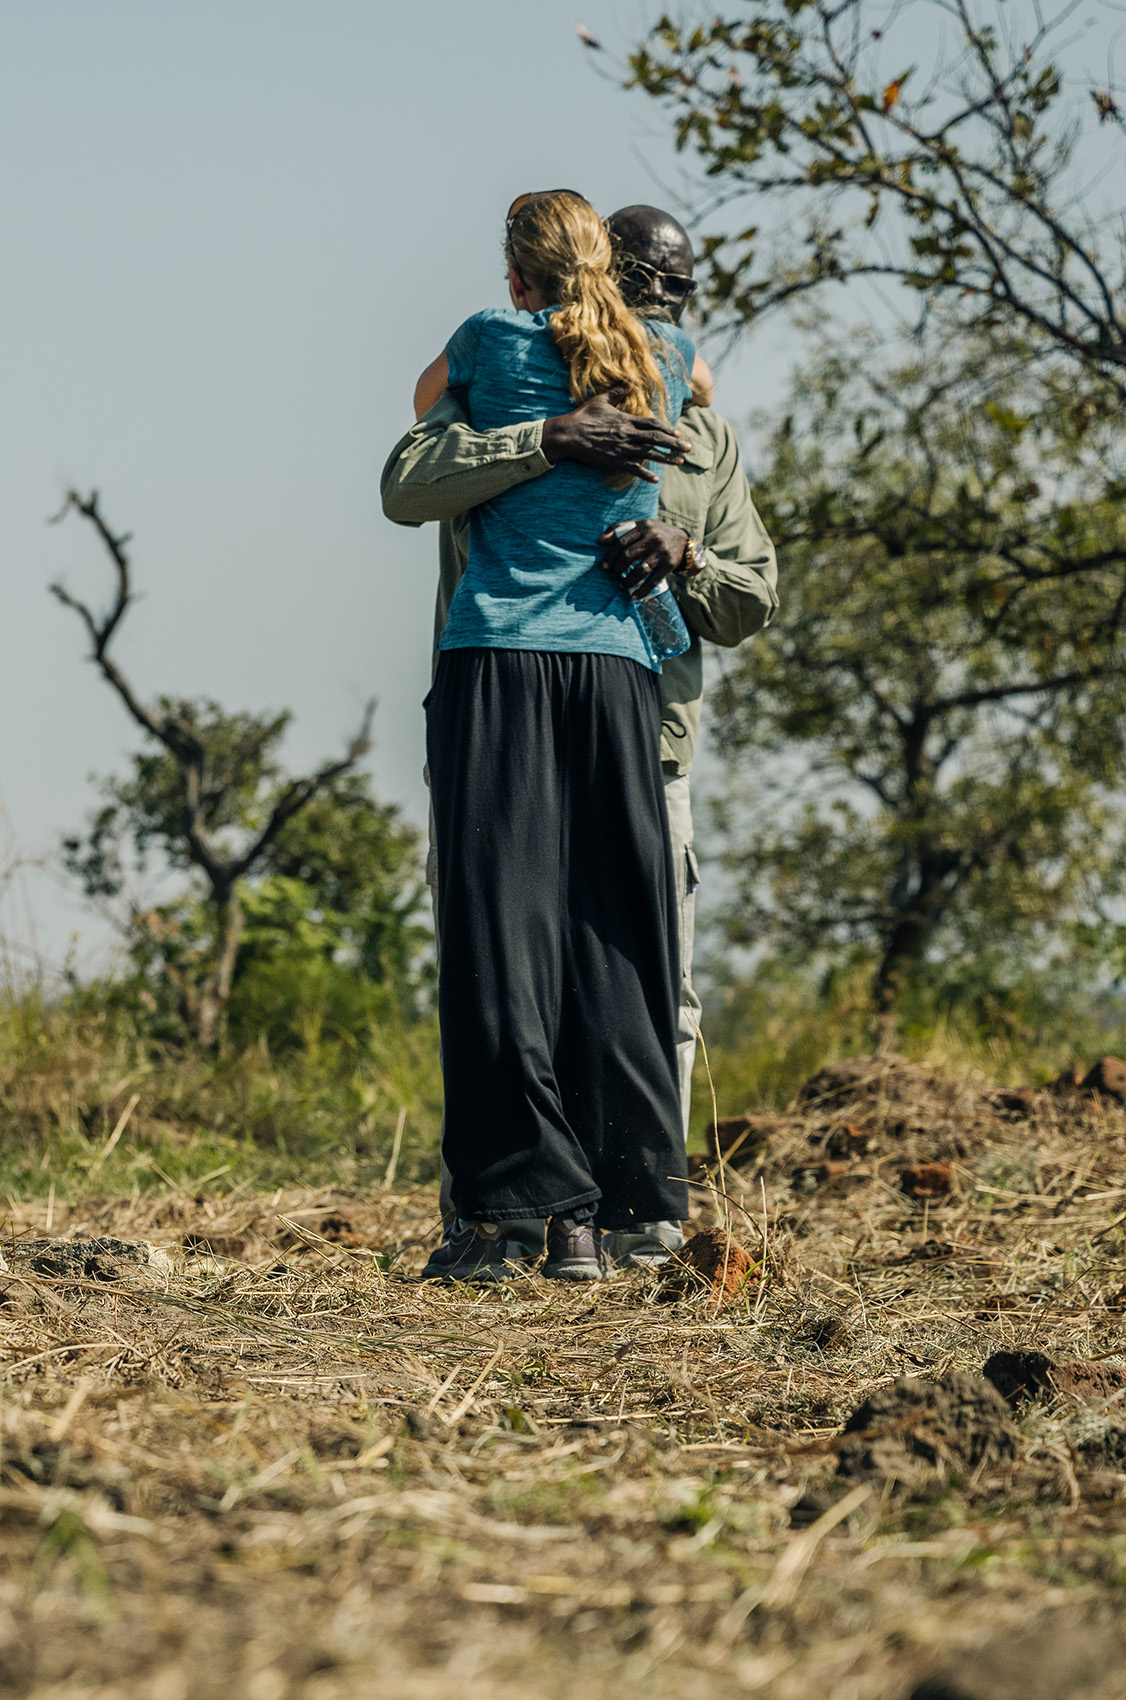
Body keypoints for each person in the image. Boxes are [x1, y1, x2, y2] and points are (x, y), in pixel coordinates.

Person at [383, 203, 779, 1280]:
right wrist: (545, 433)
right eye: (645, 281)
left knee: (644, 979)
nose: (660, 306)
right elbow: (407, 478)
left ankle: (627, 1217)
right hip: (553, 683)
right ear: (605, 271)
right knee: (511, 957)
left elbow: (755, 595)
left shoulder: (693, 423)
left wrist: (683, 550)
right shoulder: (623, 372)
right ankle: (520, 1210)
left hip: (643, 732)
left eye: (673, 294)